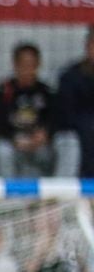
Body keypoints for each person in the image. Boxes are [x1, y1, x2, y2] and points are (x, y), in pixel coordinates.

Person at [0, 42, 58, 178]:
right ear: (15, 65)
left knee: (53, 150)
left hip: (37, 144)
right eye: (23, 65)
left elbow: (54, 121)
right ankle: (9, 195)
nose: (27, 70)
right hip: (8, 142)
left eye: (32, 65)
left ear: (38, 65)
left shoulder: (47, 92)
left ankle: (52, 194)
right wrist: (14, 139)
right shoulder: (2, 91)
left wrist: (44, 134)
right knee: (3, 151)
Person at [56, 27, 94, 180]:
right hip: (75, 134)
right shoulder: (70, 76)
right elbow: (66, 115)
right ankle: (64, 194)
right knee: (70, 143)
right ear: (87, 46)